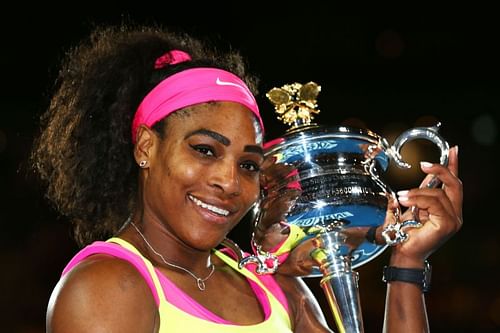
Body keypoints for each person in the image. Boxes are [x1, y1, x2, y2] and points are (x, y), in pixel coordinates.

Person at [32, 24, 463, 333]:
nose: (229, 182)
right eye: (204, 150)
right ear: (146, 147)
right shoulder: (108, 288)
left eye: (249, 164)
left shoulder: (271, 285)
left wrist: (407, 264)